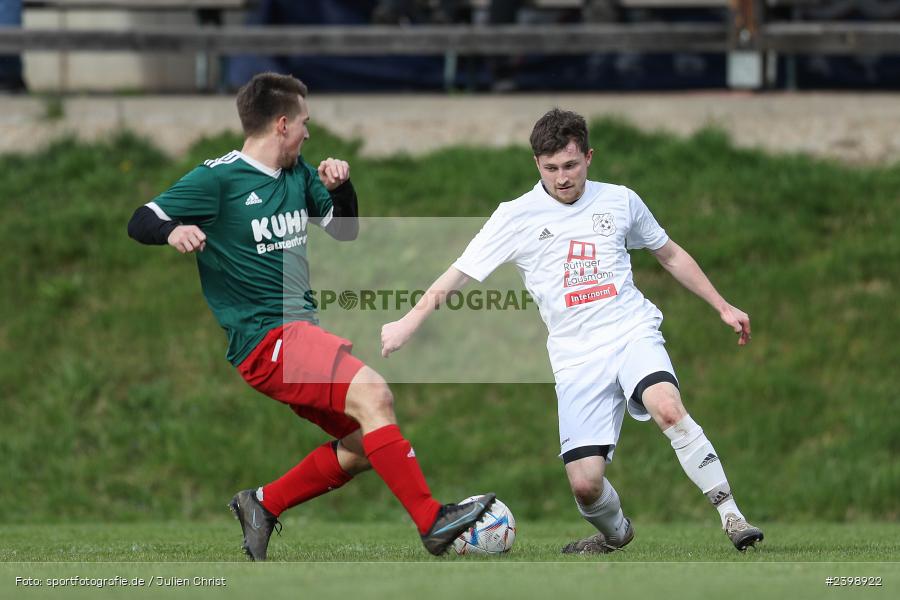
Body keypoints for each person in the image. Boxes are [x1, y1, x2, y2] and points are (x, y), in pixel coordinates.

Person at [127, 72, 494, 561]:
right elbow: (141, 218)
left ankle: (263, 503)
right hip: (268, 337)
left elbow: (345, 231)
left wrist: (341, 188)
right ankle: (432, 520)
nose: (309, 132)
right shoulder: (218, 178)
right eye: (305, 122)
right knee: (375, 394)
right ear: (281, 124)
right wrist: (172, 231)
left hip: (297, 334)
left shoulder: (298, 175)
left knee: (366, 438)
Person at [381, 108, 764, 553]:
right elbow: (459, 274)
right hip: (575, 357)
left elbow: (670, 254)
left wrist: (721, 305)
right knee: (585, 485)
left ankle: (731, 515)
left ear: (588, 157)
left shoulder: (620, 200)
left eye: (570, 165)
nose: (562, 178)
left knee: (668, 408)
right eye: (550, 168)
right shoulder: (515, 216)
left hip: (630, 332)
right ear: (536, 165)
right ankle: (616, 534)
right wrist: (409, 322)